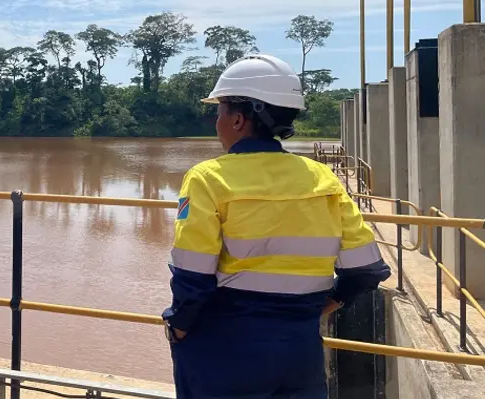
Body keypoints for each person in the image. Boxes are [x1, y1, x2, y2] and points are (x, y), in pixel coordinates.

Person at [161, 54, 392, 398]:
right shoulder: (323, 178)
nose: (216, 122)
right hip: (299, 346)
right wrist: (332, 301)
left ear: (238, 120)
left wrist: (177, 324)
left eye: (220, 111)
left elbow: (193, 275)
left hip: (225, 343)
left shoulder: (208, 179)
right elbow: (365, 269)